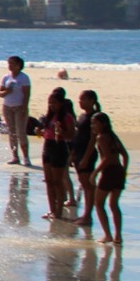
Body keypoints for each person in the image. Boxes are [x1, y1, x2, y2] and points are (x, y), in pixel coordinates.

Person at [86, 112, 127, 246]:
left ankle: (108, 235)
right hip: (118, 171)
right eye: (92, 123)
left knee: (98, 204)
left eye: (95, 123)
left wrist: (95, 173)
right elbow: (125, 155)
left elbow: (107, 158)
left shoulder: (101, 137)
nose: (93, 125)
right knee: (114, 205)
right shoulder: (113, 136)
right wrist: (123, 171)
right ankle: (118, 236)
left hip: (109, 172)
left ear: (103, 124)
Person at [40, 89, 78, 221]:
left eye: (54, 103)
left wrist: (62, 132)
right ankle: (52, 209)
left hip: (59, 147)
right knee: (49, 181)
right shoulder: (49, 116)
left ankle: (59, 210)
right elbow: (45, 132)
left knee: (57, 182)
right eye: (50, 103)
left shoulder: (67, 117)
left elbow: (72, 135)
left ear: (61, 103)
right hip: (48, 146)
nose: (52, 106)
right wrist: (40, 131)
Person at [71, 90, 101, 227]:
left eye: (83, 99)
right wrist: (73, 154)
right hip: (79, 151)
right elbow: (78, 135)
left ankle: (88, 215)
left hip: (87, 153)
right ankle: (86, 215)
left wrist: (86, 157)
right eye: (79, 99)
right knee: (84, 184)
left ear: (92, 101)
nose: (80, 102)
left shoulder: (94, 117)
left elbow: (92, 139)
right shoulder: (83, 116)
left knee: (88, 186)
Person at [0, 56, 33, 166]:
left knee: (21, 132)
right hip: (7, 107)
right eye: (9, 63)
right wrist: (6, 92)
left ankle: (26, 157)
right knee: (11, 132)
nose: (10, 66)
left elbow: (27, 94)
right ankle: (15, 157)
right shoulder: (6, 77)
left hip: (19, 107)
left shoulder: (24, 78)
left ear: (18, 65)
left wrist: (24, 107)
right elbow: (0, 93)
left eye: (12, 63)